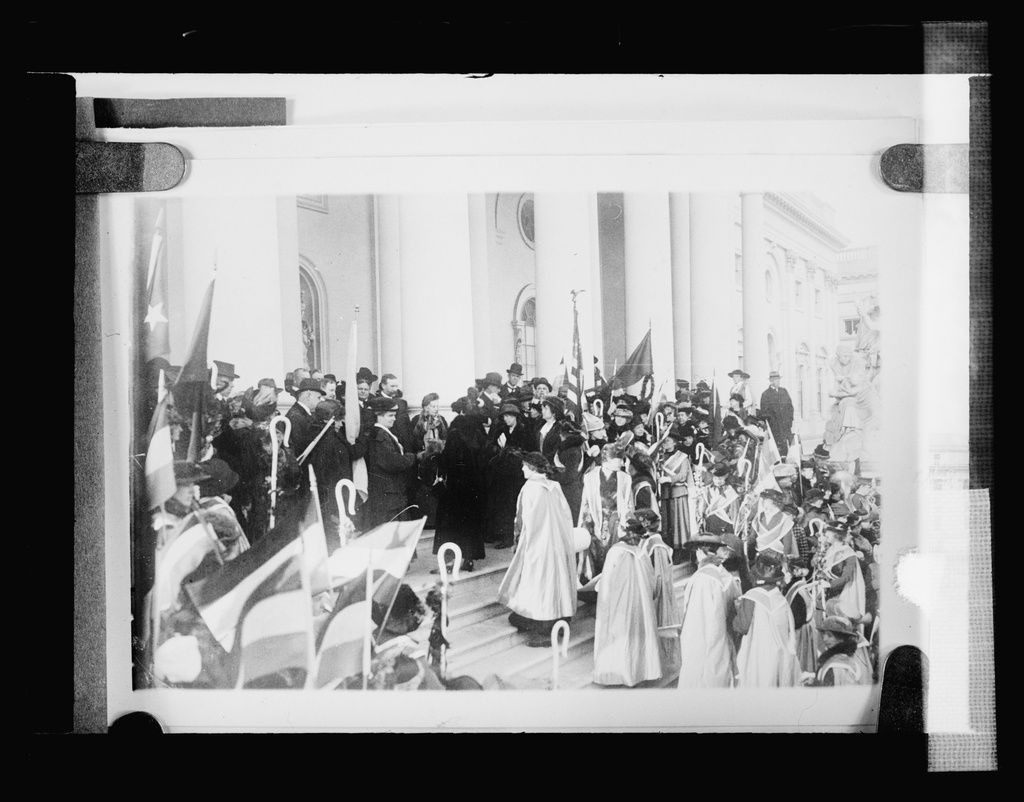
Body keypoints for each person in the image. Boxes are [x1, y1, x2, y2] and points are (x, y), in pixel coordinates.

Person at [496, 452, 578, 648]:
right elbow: (566, 516)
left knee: (538, 583)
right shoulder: (554, 486)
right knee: (555, 582)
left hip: (537, 544)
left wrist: (518, 543)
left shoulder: (530, 488)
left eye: (525, 466)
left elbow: (522, 519)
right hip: (558, 543)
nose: (522, 469)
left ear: (533, 468)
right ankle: (559, 619)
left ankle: (542, 627)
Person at [592, 518, 662, 687]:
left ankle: (620, 675)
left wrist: (603, 603)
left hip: (620, 604)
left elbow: (606, 581)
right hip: (641, 605)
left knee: (620, 637)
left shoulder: (615, 552)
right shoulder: (642, 553)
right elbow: (651, 580)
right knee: (637, 636)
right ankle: (640, 672)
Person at [677, 533, 743, 688]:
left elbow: (698, 619)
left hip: (704, 639)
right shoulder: (725, 575)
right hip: (723, 637)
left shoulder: (704, 578)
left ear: (701, 552)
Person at [733, 552, 801, 688]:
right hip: (780, 653)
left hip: (758, 652)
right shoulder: (781, 599)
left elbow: (742, 626)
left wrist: (737, 611)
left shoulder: (751, 597)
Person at [433, 413, 487, 572]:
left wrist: (435, 455)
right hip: (474, 490)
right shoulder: (477, 437)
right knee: (470, 525)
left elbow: (447, 461)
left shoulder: (455, 436)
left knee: (450, 526)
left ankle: (449, 563)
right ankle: (468, 559)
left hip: (455, 491)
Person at [578, 441, 635, 581]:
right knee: (593, 552)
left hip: (616, 520)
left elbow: (628, 504)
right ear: (607, 460)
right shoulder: (590, 477)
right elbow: (585, 503)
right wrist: (585, 524)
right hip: (594, 517)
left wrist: (626, 522)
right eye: (618, 459)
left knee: (614, 552)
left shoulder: (625, 478)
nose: (621, 463)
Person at [362, 396, 419, 531]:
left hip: (390, 492)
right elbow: (392, 462)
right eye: (390, 415)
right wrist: (413, 457)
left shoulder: (382, 433)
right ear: (378, 416)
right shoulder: (379, 435)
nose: (394, 418)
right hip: (388, 493)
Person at [485, 402, 533, 548]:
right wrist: (499, 449)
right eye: (504, 416)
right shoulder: (501, 430)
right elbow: (490, 448)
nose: (506, 419)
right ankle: (504, 536)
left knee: (515, 506)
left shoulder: (525, 431)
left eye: (508, 416)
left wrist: (507, 448)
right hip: (502, 475)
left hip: (518, 475)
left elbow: (528, 453)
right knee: (503, 506)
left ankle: (514, 537)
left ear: (515, 417)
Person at [805, 615, 874, 686]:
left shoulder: (839, 665)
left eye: (829, 635)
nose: (824, 639)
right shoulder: (842, 658)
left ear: (841, 638)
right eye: (823, 635)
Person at [657, 425, 693, 556]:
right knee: (666, 523)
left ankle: (680, 550)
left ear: (675, 442)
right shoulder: (659, 457)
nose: (665, 443)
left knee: (678, 522)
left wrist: (668, 479)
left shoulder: (682, 457)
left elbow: (683, 475)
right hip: (664, 493)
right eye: (663, 441)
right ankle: (669, 548)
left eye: (668, 440)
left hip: (678, 492)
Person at [552, 420, 587, 526]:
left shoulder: (573, 452)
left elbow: (569, 475)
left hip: (570, 491)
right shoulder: (569, 448)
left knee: (569, 521)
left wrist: (552, 476)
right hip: (566, 490)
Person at [753, 489, 800, 560]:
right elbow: (753, 535)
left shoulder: (784, 518)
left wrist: (785, 557)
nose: (762, 501)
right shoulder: (760, 516)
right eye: (762, 498)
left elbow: (787, 542)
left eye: (765, 499)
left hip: (776, 556)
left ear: (774, 501)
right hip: (761, 554)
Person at [759, 371, 794, 457]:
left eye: (778, 380)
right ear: (771, 381)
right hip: (775, 427)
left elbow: (790, 406)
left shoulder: (784, 391)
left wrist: (789, 420)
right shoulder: (766, 394)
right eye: (776, 380)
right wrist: (773, 423)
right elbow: (764, 412)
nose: (778, 382)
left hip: (786, 425)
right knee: (778, 449)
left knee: (790, 446)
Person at [537, 395, 565, 459]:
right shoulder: (540, 427)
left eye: (546, 409)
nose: (542, 411)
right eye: (542, 409)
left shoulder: (559, 428)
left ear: (554, 411)